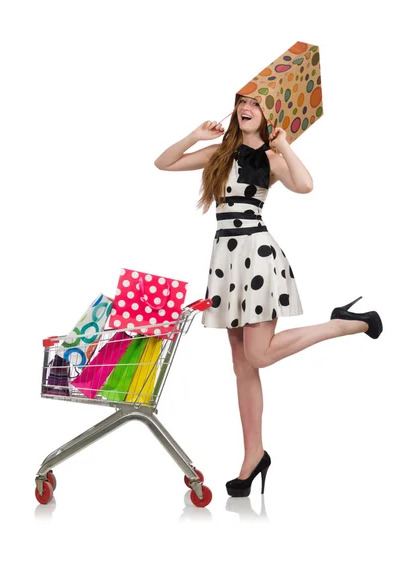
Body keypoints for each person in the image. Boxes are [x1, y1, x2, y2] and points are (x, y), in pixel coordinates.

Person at [154, 94, 383, 498]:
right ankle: (253, 456)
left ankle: (342, 323)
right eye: (242, 102)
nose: (246, 108)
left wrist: (287, 146)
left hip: (257, 256)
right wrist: (193, 134)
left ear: (267, 115)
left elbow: (306, 185)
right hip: (226, 261)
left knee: (257, 355)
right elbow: (164, 162)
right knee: (243, 366)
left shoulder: (273, 158)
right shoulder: (218, 154)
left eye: (256, 104)